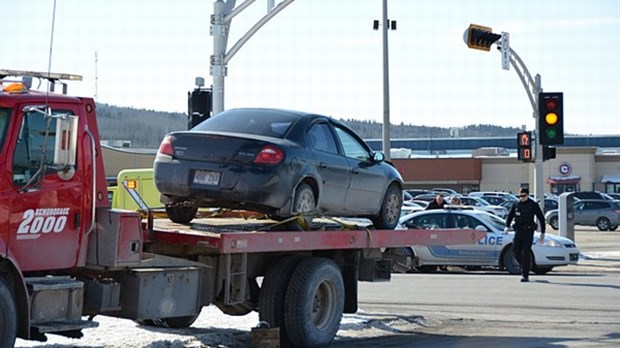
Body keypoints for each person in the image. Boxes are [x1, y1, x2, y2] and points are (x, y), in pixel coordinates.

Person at [504, 187, 546, 282]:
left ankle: (525, 274)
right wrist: (506, 226)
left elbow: (541, 218)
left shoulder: (533, 205)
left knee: (526, 252)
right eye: (520, 196)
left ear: (527, 195)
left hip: (528, 231)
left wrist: (543, 233)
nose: (521, 198)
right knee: (515, 250)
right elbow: (510, 216)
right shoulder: (516, 204)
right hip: (518, 231)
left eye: (523, 196)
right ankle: (524, 266)